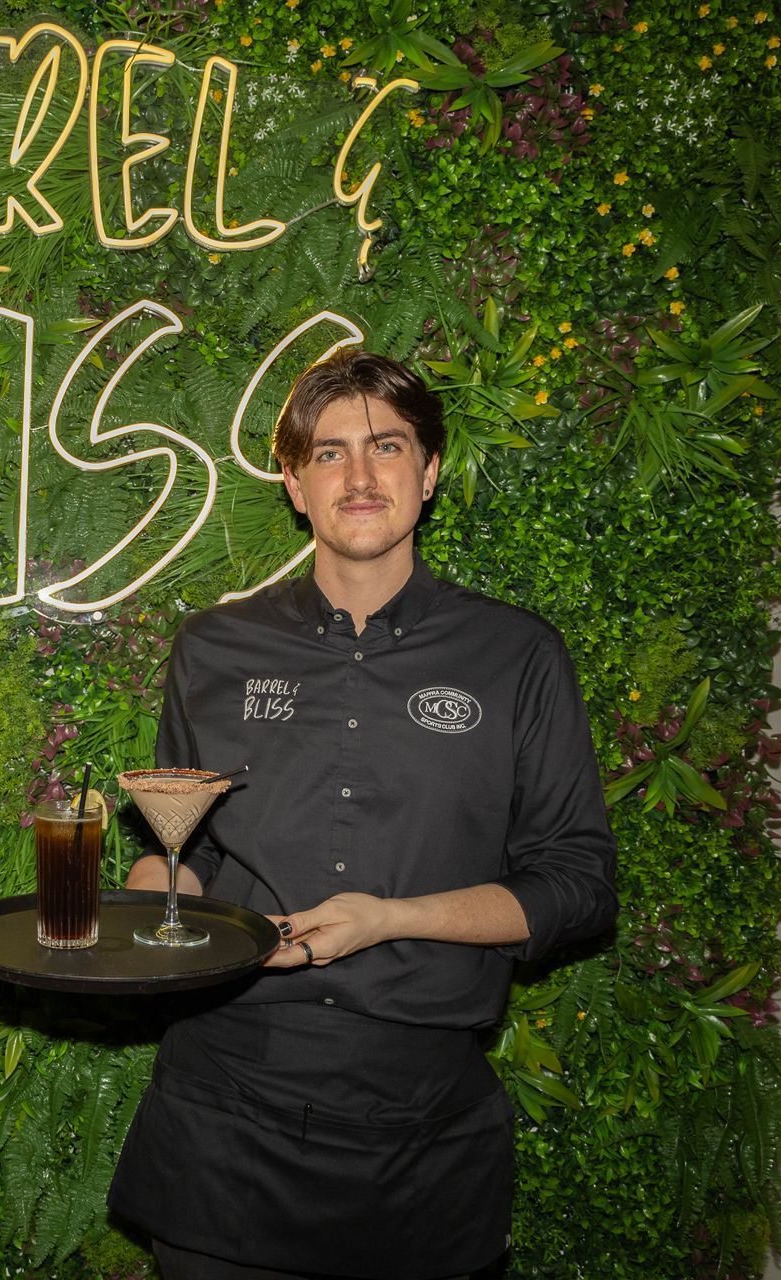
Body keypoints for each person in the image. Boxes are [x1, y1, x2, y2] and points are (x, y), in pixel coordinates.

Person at [107, 350, 618, 1280]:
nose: (360, 474)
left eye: (386, 446)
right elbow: (171, 851)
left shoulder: (517, 656)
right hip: (223, 1118)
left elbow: (578, 887)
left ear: (428, 474)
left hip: (421, 1135)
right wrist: (141, 914)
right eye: (329, 452)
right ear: (296, 486)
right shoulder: (214, 647)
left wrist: (394, 919)